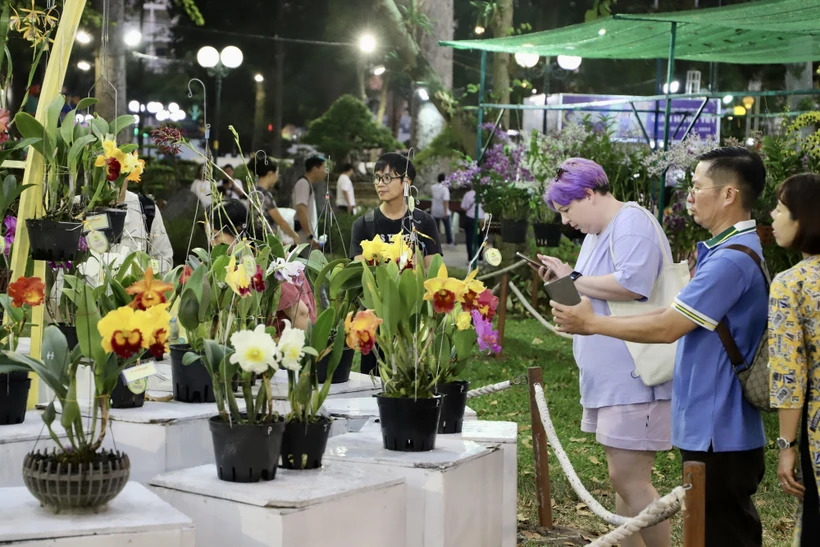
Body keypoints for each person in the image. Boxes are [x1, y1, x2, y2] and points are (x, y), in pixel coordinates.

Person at [552, 146, 768, 547]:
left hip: (719, 425)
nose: (689, 194)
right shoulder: (724, 253)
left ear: (728, 195)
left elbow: (669, 325)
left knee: (720, 530)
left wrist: (591, 322)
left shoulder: (731, 260)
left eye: (697, 186)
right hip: (709, 422)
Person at [536, 158, 673, 547]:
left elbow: (633, 283)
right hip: (613, 380)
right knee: (622, 480)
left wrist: (573, 277)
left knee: (630, 479)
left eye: (567, 210)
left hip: (636, 376)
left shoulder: (632, 222)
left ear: (590, 194)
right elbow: (587, 294)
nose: (565, 222)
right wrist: (564, 281)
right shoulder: (601, 232)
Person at [349, 153, 442, 375]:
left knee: (410, 382)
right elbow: (363, 275)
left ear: (406, 182)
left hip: (412, 321)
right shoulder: (363, 224)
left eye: (388, 178)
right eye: (377, 177)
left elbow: (433, 271)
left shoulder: (423, 222)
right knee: (371, 385)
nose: (380, 183)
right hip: (377, 318)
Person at [768, 173, 820, 545]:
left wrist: (787, 448)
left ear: (806, 218)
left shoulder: (792, 283)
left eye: (782, 209)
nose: (772, 216)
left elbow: (790, 377)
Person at [208, 199, 314, 330]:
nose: (212, 243)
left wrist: (304, 348)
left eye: (216, 235)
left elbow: (300, 314)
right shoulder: (239, 263)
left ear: (238, 230)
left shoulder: (269, 263)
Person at [250, 159, 300, 244]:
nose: (277, 177)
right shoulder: (264, 195)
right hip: (268, 238)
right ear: (270, 174)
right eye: (277, 174)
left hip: (256, 236)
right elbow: (280, 221)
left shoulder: (252, 191)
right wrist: (295, 236)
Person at [291, 155, 326, 248]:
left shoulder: (307, 184)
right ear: (315, 168)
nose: (325, 171)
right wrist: (309, 235)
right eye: (324, 167)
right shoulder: (303, 183)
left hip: (306, 239)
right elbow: (301, 209)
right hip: (302, 240)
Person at [460, 182, 485, 264]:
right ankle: (480, 257)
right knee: (481, 238)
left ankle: (470, 258)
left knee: (469, 238)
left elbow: (463, 207)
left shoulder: (468, 194)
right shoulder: (484, 195)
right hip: (481, 219)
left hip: (470, 218)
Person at [431, 173, 453, 245]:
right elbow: (445, 200)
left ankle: (435, 241)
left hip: (434, 210)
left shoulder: (433, 187)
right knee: (447, 227)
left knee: (435, 228)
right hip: (443, 210)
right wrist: (445, 212)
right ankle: (449, 241)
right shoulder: (445, 189)